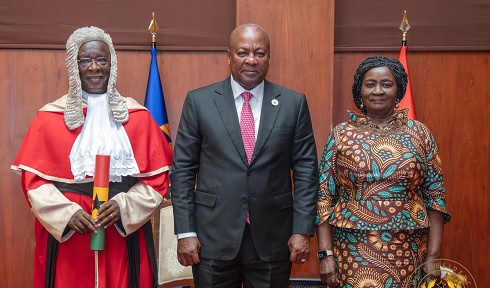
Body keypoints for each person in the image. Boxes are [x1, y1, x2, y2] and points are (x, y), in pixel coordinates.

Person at [11, 26, 172, 288]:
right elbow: (33, 182)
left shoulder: (138, 116)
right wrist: (65, 214)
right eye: (85, 60)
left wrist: (125, 206)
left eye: (102, 60)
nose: (94, 68)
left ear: (112, 63)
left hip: (120, 230)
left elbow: (158, 180)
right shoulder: (48, 117)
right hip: (71, 234)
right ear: (74, 65)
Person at [171, 23, 318, 287]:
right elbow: (182, 171)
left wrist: (302, 230)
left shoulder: (293, 103)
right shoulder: (199, 101)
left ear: (269, 58)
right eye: (243, 52)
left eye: (259, 53)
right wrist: (185, 231)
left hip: (274, 238)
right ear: (228, 57)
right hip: (211, 238)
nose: (251, 60)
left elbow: (307, 171)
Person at [316, 56, 451, 288]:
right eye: (370, 84)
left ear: (398, 89)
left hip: (408, 247)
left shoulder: (420, 134)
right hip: (352, 247)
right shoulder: (341, 134)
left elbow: (435, 197)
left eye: (386, 84)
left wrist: (433, 255)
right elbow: (324, 197)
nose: (378, 91)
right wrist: (325, 254)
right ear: (360, 90)